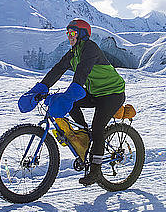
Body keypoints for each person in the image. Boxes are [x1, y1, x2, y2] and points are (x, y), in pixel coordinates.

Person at [18, 19, 126, 186]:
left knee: (98, 128)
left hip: (113, 94)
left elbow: (82, 73)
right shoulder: (73, 53)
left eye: (73, 32)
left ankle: (96, 171)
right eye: (68, 33)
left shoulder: (90, 49)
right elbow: (57, 70)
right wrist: (41, 88)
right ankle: (84, 133)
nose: (69, 36)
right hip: (96, 93)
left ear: (82, 34)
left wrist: (70, 93)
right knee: (74, 104)